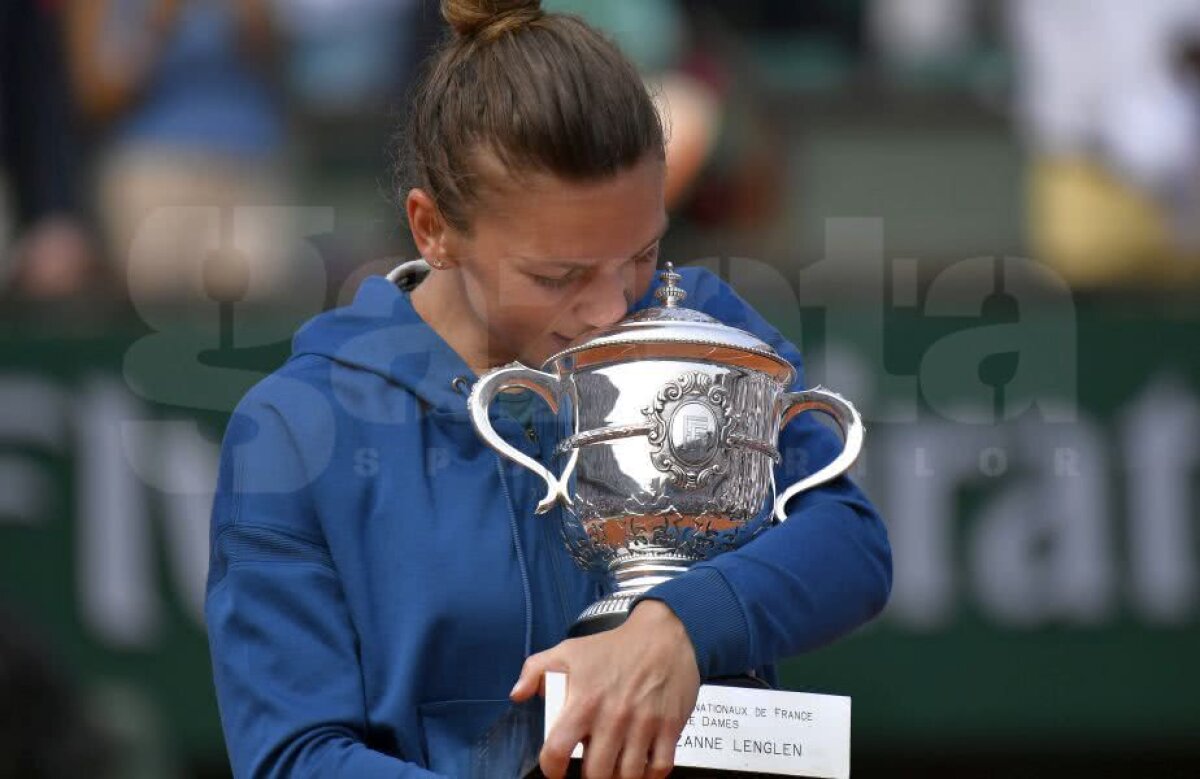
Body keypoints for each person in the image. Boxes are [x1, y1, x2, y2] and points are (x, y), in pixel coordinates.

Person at [204, 1, 892, 777]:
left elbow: (849, 539)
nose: (608, 308)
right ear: (432, 229)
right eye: (556, 276)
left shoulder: (701, 324)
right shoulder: (296, 426)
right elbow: (293, 757)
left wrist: (677, 627)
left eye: (641, 253)